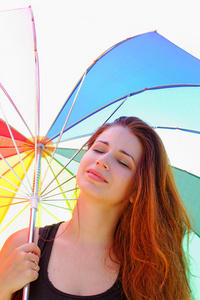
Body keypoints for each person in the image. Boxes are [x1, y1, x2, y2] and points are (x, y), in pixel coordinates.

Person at [0, 116, 192, 300]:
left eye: (123, 162)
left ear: (137, 190)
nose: (102, 161)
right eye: (99, 150)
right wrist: (4, 286)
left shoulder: (148, 274)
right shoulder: (23, 245)